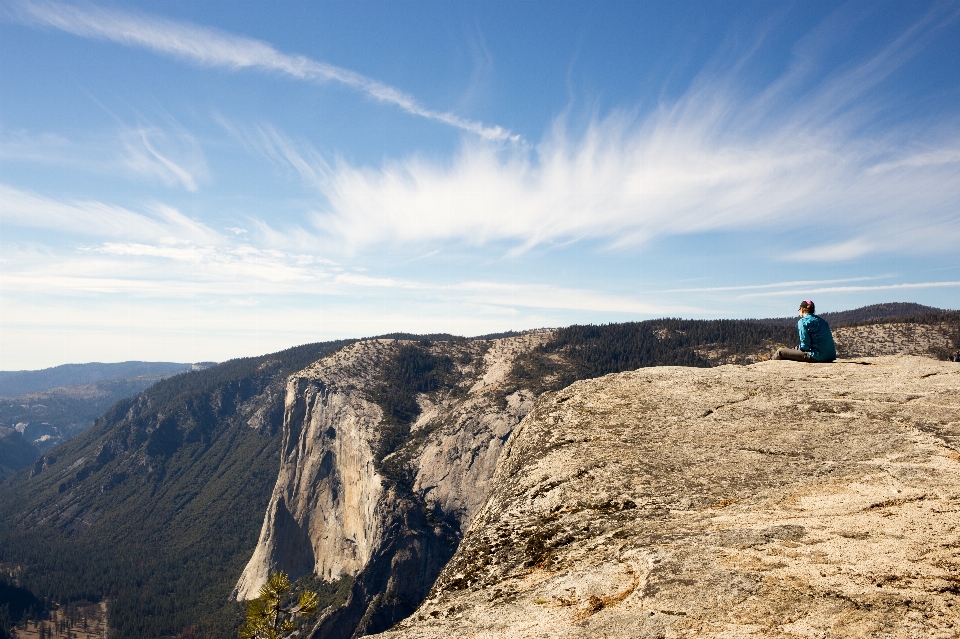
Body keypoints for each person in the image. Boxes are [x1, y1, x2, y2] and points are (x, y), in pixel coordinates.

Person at [772, 300, 836, 362]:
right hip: (830, 357)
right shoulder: (823, 321)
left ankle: (771, 363)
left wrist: (797, 349)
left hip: (817, 356)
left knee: (780, 352)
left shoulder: (803, 322)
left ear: (802, 309)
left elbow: (805, 346)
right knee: (795, 349)